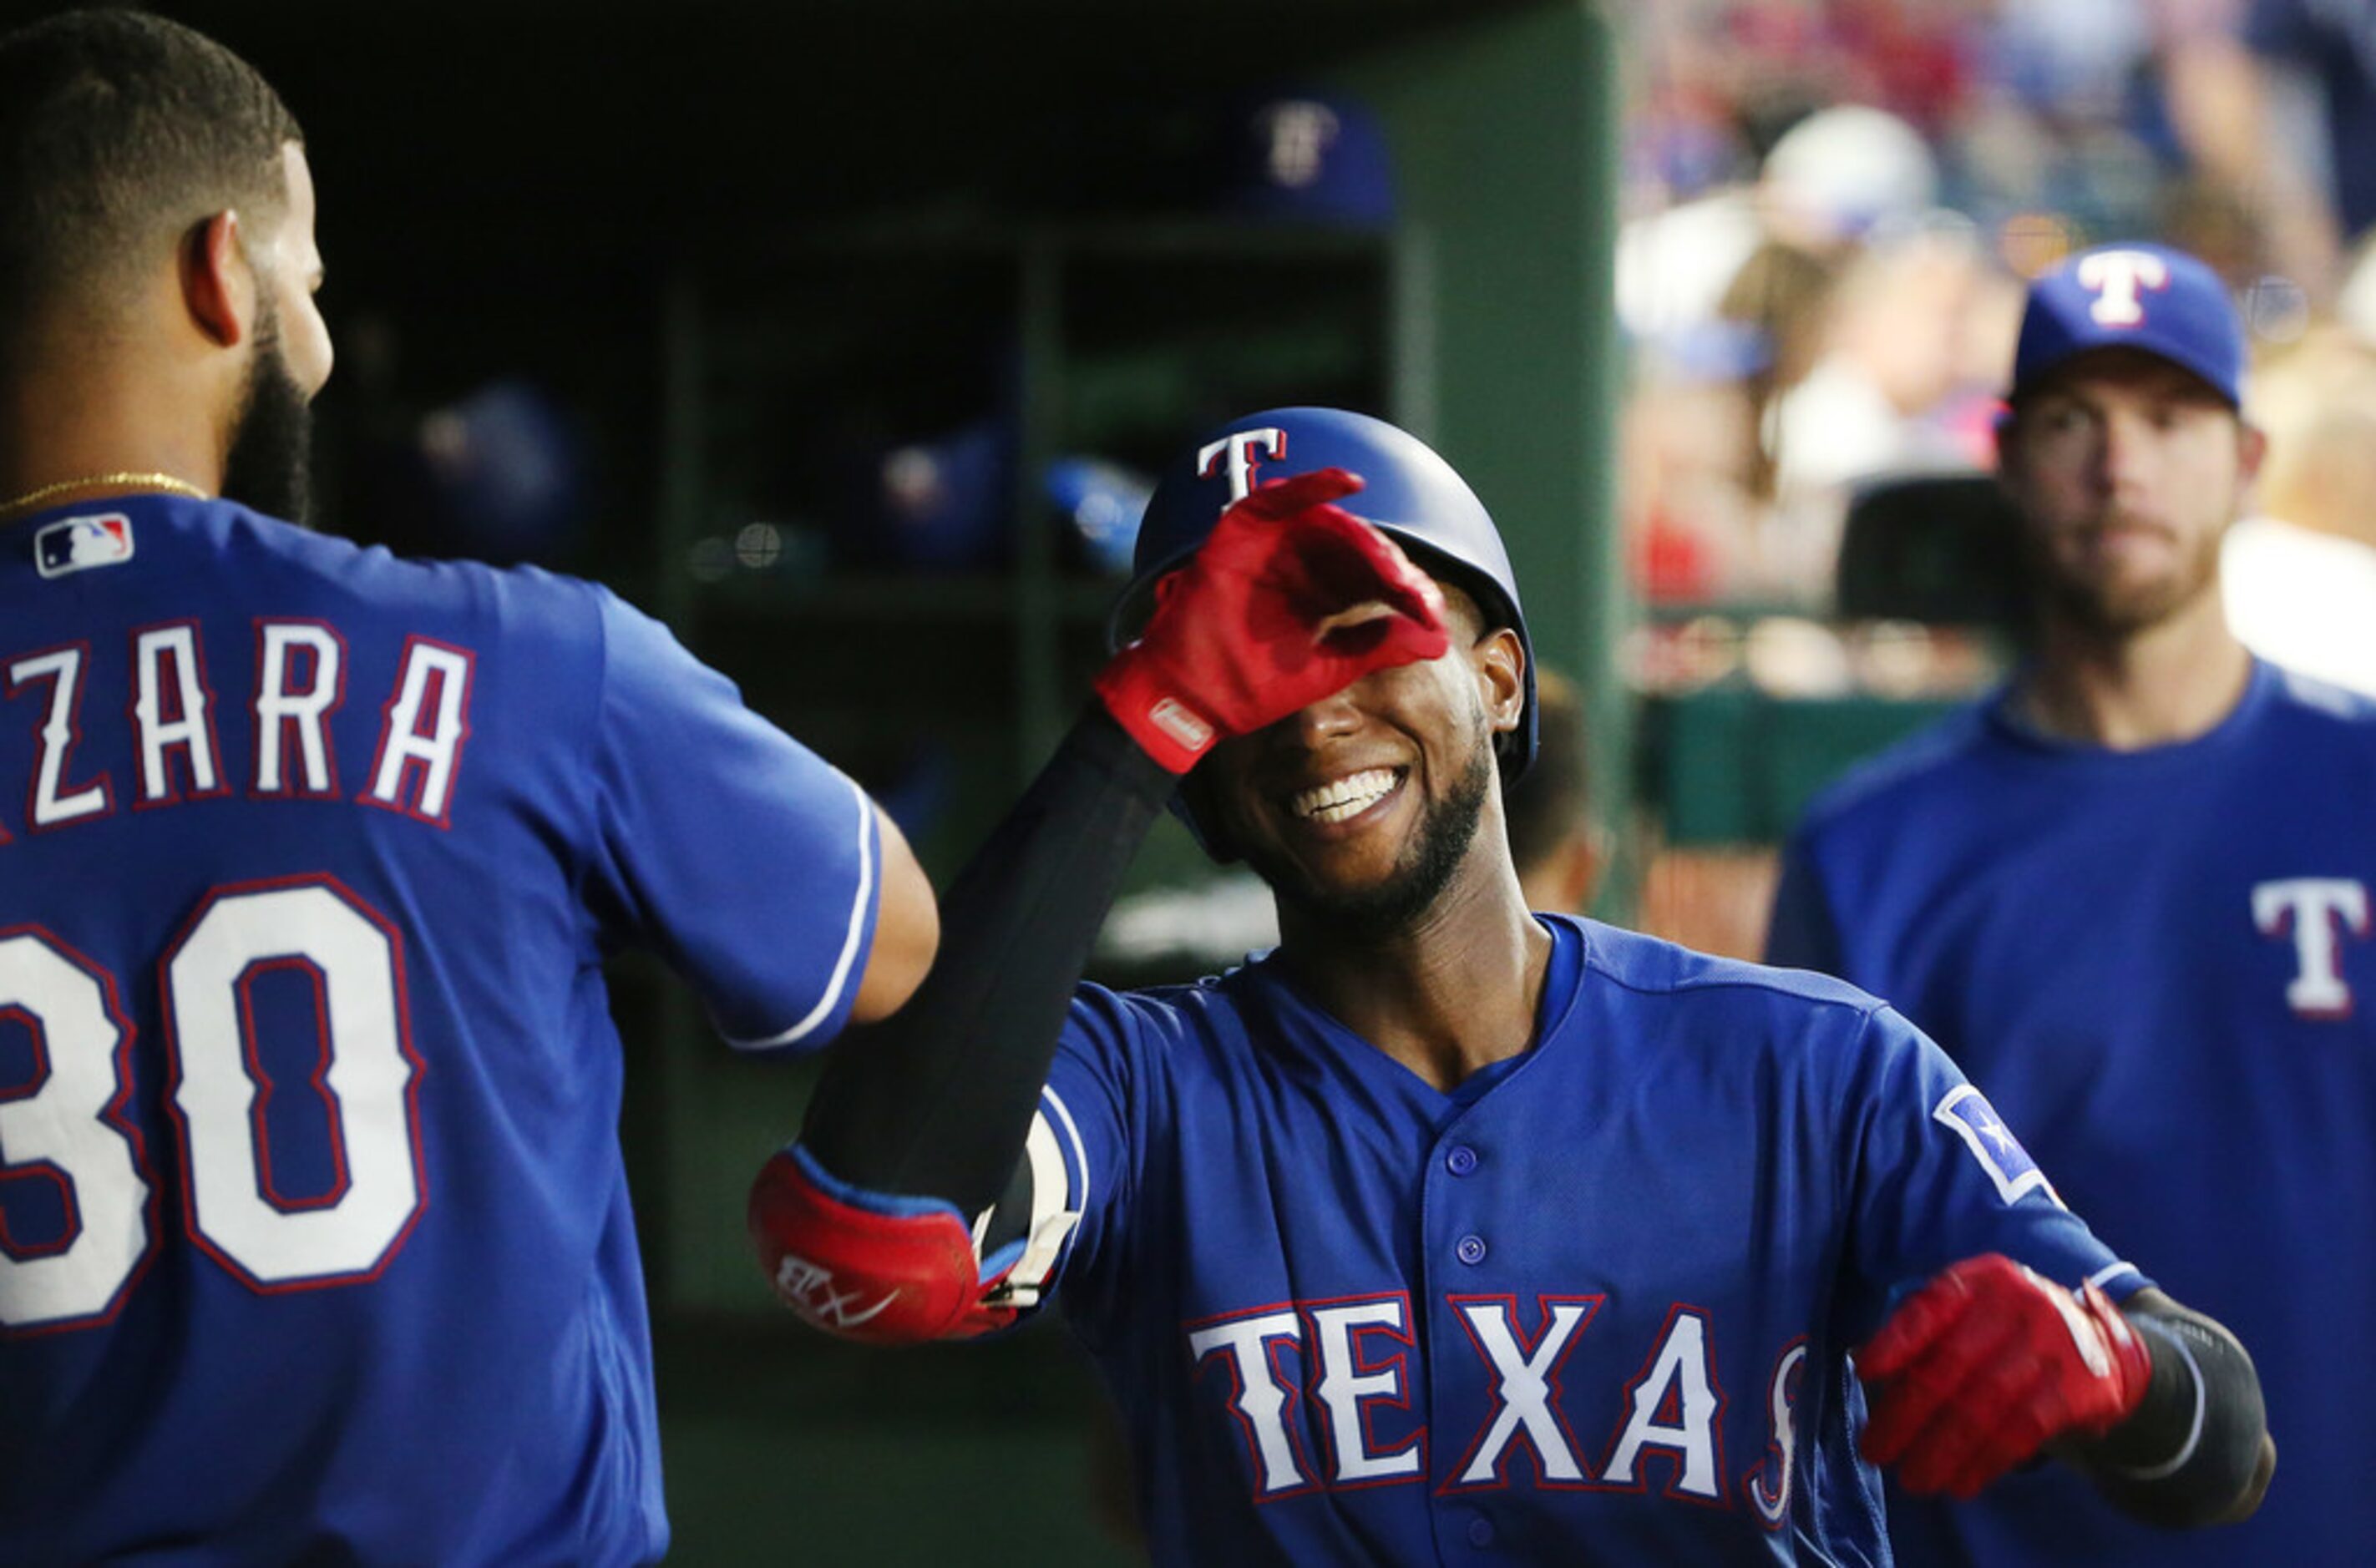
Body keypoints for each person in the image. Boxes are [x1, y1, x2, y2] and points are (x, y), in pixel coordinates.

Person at [749, 403, 2271, 1564]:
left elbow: (2222, 1446)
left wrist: (2120, 1362)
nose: (1312, 714)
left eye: (1353, 625)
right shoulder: (1142, 1090)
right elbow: (871, 1222)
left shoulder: (1811, 1067)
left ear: (1493, 672)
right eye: (1244, 670)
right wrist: (1135, 720)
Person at [0, 13, 936, 1564]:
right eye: (303, 277)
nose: (309, 328)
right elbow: (889, 945)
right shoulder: (521, 658)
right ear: (221, 272)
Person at [1769, 241, 2363, 1565]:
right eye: (2071, 421)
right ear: (2005, 455)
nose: (2118, 465)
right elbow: (1816, 1274)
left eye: (2166, 417)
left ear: (2247, 456)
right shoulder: (1871, 847)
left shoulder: (2360, 780)